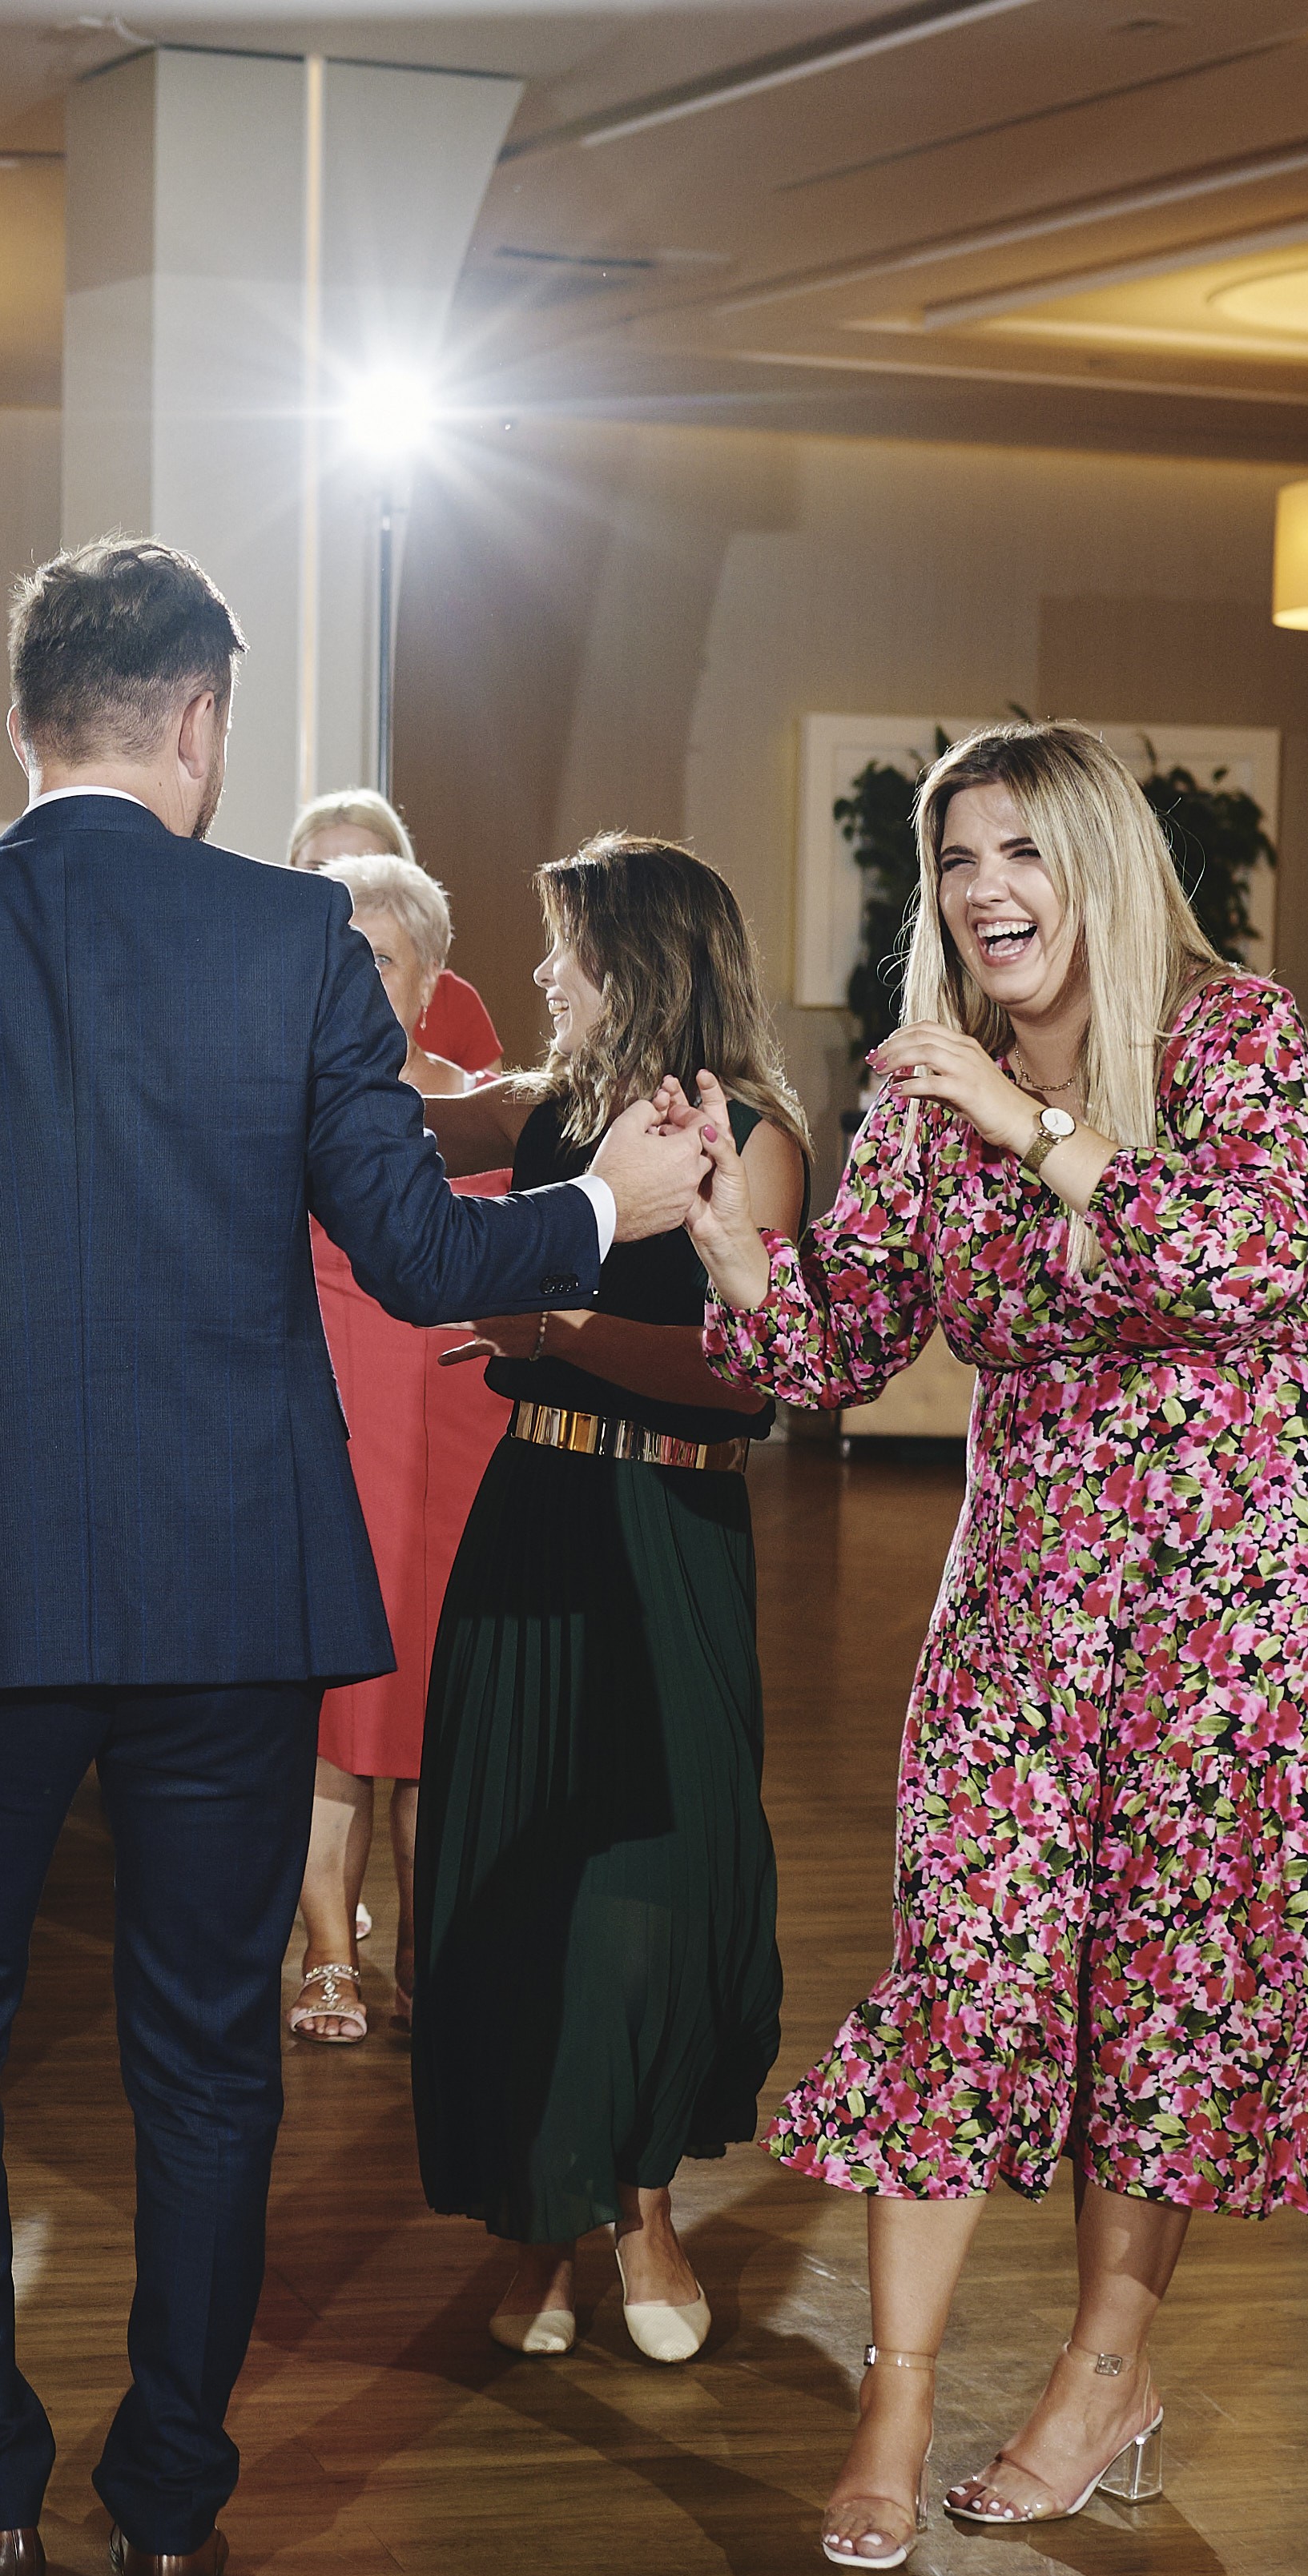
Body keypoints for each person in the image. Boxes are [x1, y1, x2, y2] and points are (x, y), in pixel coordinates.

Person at [0, 536, 709, 2576]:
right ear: (197, 719)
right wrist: (602, 1208)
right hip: (230, 1592)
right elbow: (416, 1256)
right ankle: (167, 2509)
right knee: (200, 2055)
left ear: (21, 721)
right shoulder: (290, 945)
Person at [681, 717, 1308, 2574]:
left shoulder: (1229, 1036)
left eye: (1018, 850)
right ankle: (892, 2397)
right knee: (966, 1968)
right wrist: (728, 1255)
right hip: (1027, 1603)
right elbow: (835, 1348)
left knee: (1167, 2003)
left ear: (1099, 864)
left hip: (1244, 1612)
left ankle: (1100, 2377)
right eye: (954, 858)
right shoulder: (921, 1091)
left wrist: (1025, 1122)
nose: (980, 889)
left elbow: (1251, 1257)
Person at [404, 836, 803, 2364]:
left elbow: (744, 1377)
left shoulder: (749, 1137)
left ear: (635, 961)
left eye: (562, 946)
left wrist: (555, 1330)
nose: (541, 974)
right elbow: (406, 1109)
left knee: (654, 1884)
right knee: (517, 1879)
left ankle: (640, 2209)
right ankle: (539, 2229)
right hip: (537, 1517)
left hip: (673, 1531)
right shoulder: (551, 1112)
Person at [283, 853, 501, 2045]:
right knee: (336, 1705)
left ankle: (427, 1946)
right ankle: (327, 1951)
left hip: (463, 1427)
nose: (356, 979)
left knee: (437, 1709)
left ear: (431, 981)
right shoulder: (282, 1100)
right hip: (334, 1424)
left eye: (378, 958)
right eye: (338, 957)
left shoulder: (498, 1106)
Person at [287, 787, 505, 1073]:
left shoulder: (454, 1002)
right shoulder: (272, 990)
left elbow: (489, 1097)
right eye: (319, 872)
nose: (343, 888)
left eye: (365, 866)